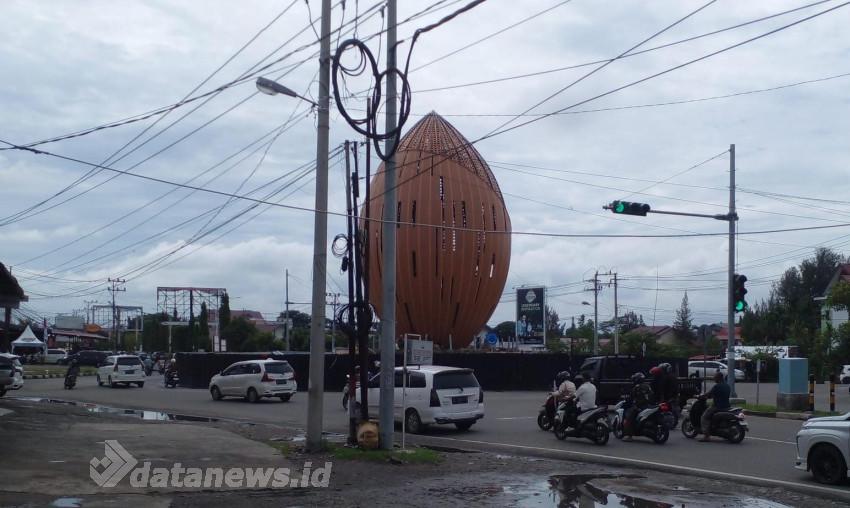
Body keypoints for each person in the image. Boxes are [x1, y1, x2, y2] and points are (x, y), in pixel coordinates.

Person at [700, 371, 731, 442]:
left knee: (704, 417)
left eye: (715, 377)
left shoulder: (717, 386)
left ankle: (706, 436)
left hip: (717, 406)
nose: (714, 379)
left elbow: (709, 393)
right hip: (727, 406)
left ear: (719, 378)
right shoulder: (727, 386)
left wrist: (701, 396)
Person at [623, 372, 654, 441]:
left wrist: (627, 403)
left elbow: (631, 398)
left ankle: (629, 436)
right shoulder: (648, 386)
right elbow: (652, 396)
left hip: (640, 406)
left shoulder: (636, 387)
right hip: (649, 406)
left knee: (629, 417)